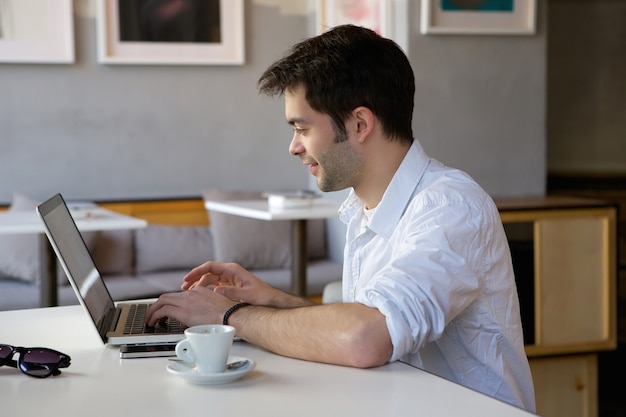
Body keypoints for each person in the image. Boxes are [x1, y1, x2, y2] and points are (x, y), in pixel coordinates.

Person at [146, 24, 535, 412]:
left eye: (302, 128)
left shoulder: (449, 207)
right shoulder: (363, 208)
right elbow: (362, 321)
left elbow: (365, 339)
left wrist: (230, 315)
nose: (293, 146)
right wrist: (273, 300)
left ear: (360, 124)